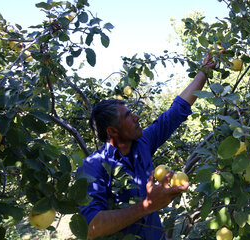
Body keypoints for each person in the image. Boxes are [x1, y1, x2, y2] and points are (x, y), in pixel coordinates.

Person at [79, 55, 216, 240]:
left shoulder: (142, 143)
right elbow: (90, 227)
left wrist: (205, 70)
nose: (136, 117)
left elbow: (176, 112)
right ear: (112, 130)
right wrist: (148, 205)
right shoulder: (93, 166)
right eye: (128, 116)